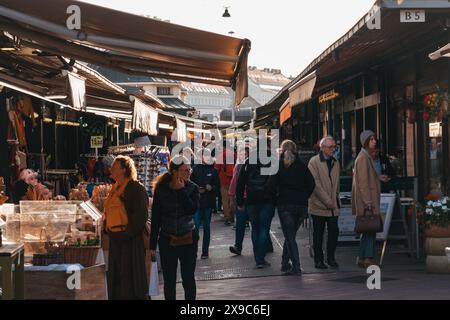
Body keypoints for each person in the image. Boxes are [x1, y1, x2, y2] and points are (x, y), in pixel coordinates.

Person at [150, 156, 200, 300]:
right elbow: (156, 218)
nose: (188, 173)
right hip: (167, 240)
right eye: (185, 170)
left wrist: (181, 191)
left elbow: (191, 209)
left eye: (189, 170)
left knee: (188, 279)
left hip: (188, 239)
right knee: (169, 281)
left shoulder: (192, 188)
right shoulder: (161, 188)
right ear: (174, 172)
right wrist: (152, 245)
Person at [104, 155, 149, 300]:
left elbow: (141, 214)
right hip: (115, 237)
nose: (111, 170)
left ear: (124, 170)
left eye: (115, 168)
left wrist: (127, 234)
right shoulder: (115, 188)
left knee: (129, 275)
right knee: (117, 274)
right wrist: (107, 229)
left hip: (129, 239)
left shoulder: (135, 188)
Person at [268, 140, 315, 275]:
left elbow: (271, 186)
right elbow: (311, 184)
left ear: (282, 150)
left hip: (285, 205)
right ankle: (284, 263)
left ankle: (296, 266)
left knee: (290, 237)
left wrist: (276, 199)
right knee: (291, 235)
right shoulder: (302, 166)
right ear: (295, 150)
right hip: (301, 206)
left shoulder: (278, 166)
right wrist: (304, 196)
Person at [236, 139, 276, 269]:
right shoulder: (272, 160)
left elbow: (240, 183)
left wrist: (240, 201)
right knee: (264, 228)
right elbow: (276, 182)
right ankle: (260, 258)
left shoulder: (248, 162)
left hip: (252, 200)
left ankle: (258, 259)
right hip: (267, 200)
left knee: (255, 228)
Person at [352, 131, 389, 268]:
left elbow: (368, 177)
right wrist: (368, 202)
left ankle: (362, 257)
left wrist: (378, 177)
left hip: (369, 200)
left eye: (374, 139)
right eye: (371, 139)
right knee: (369, 229)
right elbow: (362, 182)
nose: (374, 141)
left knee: (368, 229)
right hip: (368, 201)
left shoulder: (366, 157)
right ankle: (367, 258)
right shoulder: (363, 158)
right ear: (365, 142)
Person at [308, 136, 341, 269]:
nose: (333, 149)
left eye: (334, 147)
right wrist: (328, 201)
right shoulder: (313, 162)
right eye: (330, 147)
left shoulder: (335, 162)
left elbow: (336, 184)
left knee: (334, 231)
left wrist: (335, 199)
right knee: (318, 234)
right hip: (318, 205)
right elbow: (315, 184)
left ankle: (331, 257)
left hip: (333, 206)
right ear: (322, 148)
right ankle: (319, 260)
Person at [190, 149, 220, 259]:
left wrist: (211, 188)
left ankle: (205, 252)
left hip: (208, 202)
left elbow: (218, 187)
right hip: (197, 203)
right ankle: (193, 251)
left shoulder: (214, 171)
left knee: (206, 227)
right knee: (196, 227)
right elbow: (190, 185)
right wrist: (197, 189)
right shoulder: (194, 170)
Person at [228, 143, 250, 256]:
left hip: (251, 199)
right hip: (241, 198)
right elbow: (233, 183)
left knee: (256, 225)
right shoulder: (238, 167)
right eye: (241, 154)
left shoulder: (249, 166)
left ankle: (266, 245)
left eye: (245, 154)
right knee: (240, 223)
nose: (242, 156)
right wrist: (232, 197)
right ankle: (238, 246)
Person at [215, 144, 235, 225]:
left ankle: (227, 217)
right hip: (233, 180)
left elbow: (216, 168)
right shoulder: (234, 154)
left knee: (225, 200)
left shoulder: (220, 155)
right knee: (232, 199)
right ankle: (232, 217)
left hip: (223, 180)